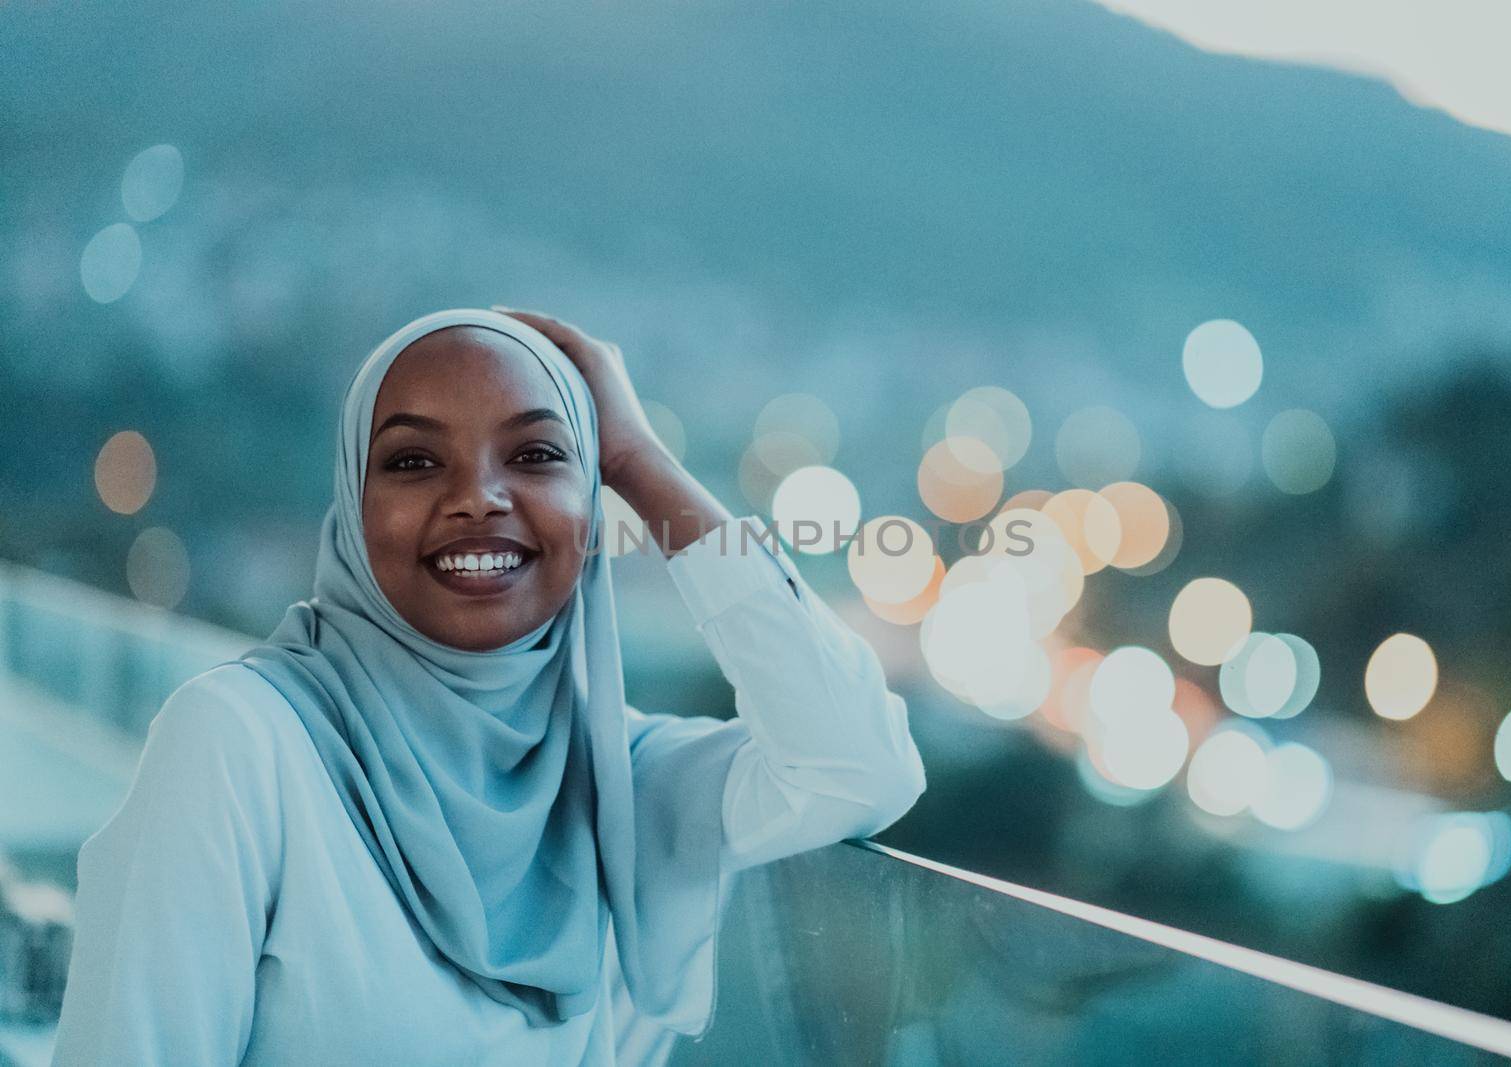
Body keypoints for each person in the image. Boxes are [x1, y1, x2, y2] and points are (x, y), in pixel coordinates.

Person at [50, 307, 926, 1065]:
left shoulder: (616, 779)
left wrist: (638, 458)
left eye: (539, 454)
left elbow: (860, 764)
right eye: (412, 462)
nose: (479, 498)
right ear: (352, 509)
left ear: (591, 508)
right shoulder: (240, 743)